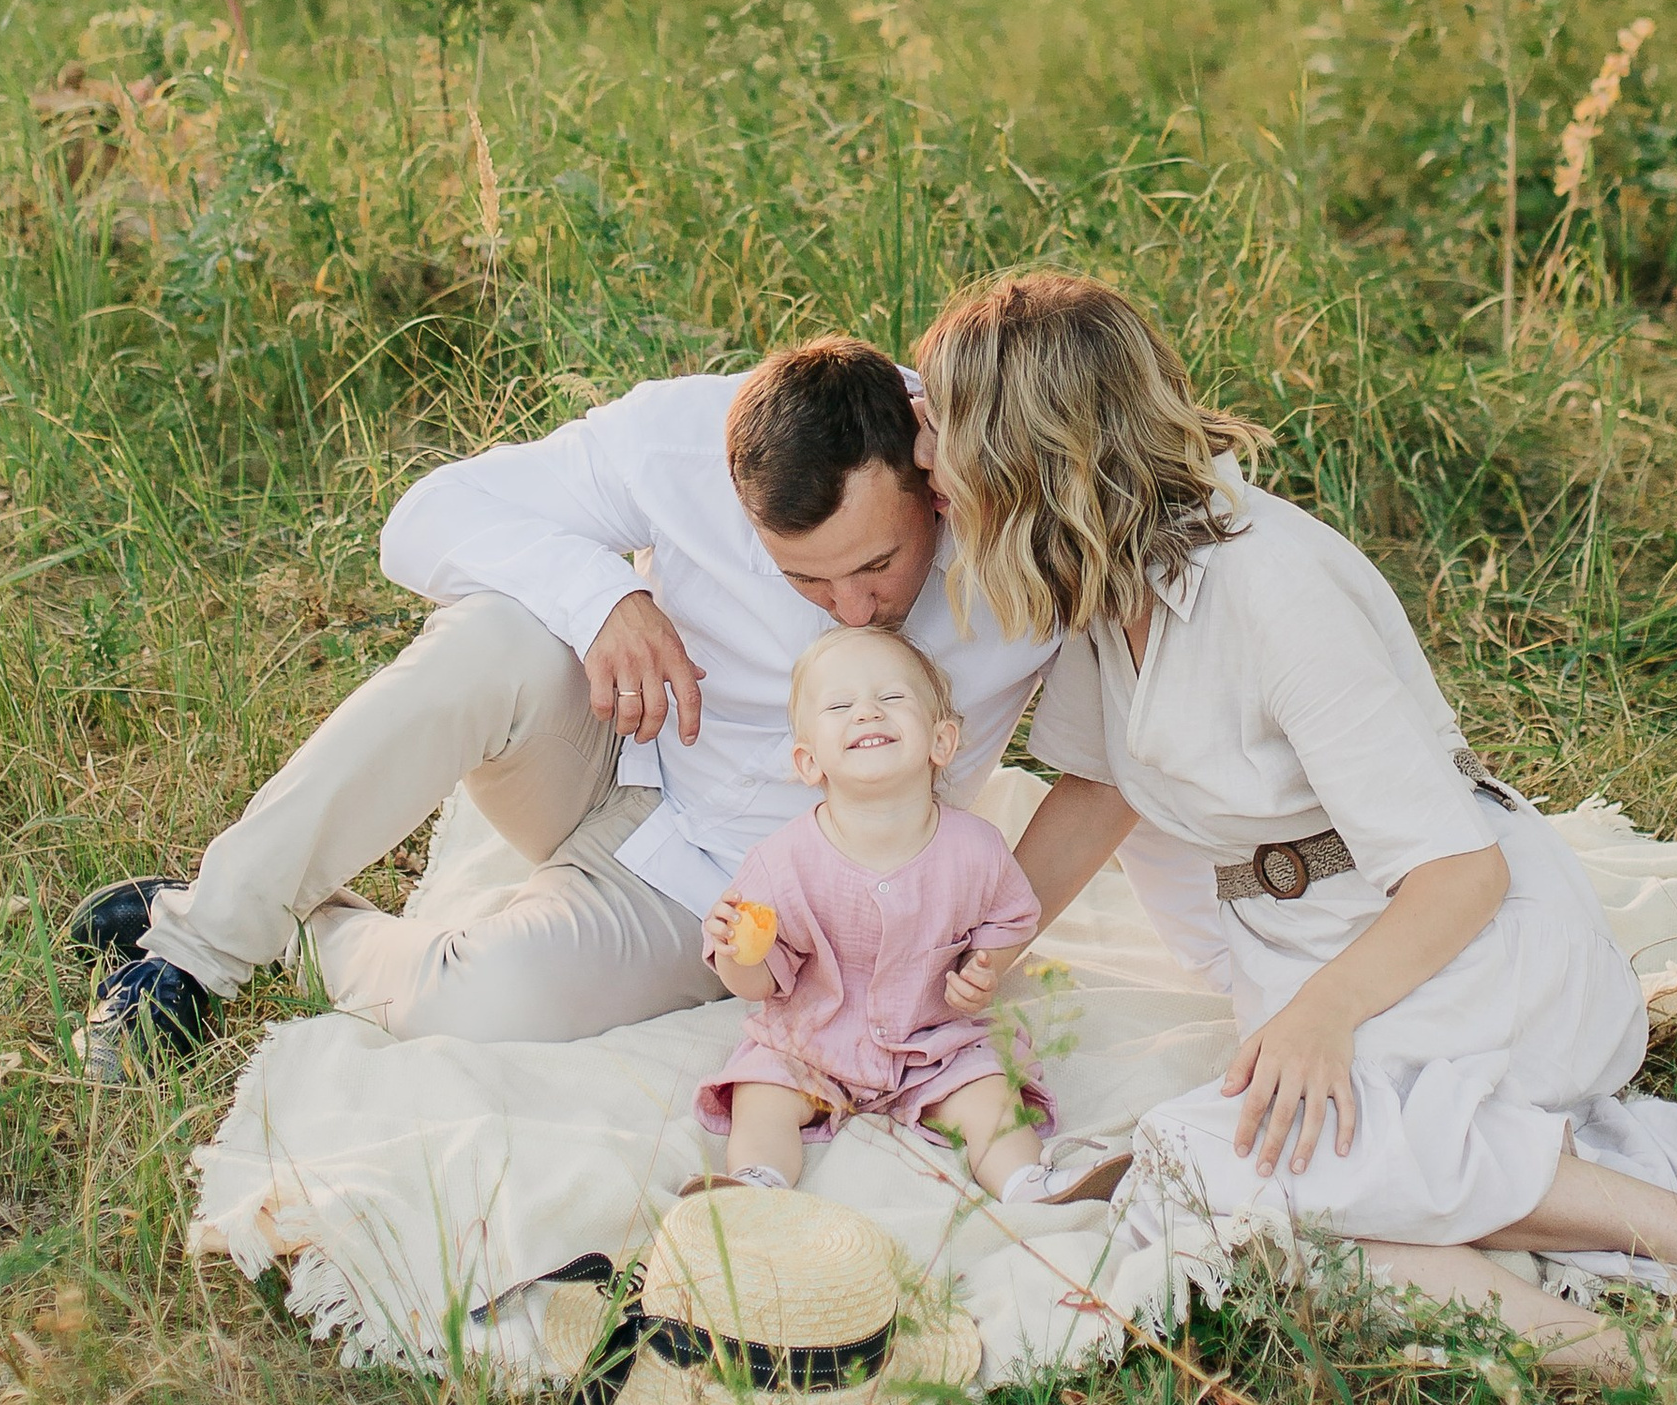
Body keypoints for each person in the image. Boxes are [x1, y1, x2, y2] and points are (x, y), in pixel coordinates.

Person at [912, 269, 1677, 1405]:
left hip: (1456, 951)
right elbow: (1096, 790)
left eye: (938, 422)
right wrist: (976, 951)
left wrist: (1319, 1018)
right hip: (1310, 949)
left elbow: (1459, 871)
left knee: (1212, 1166)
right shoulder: (1104, 578)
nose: (919, 444)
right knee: (1255, 1200)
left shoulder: (1272, 587)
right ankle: (1646, 1357)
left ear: (1023, 444)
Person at [71, 336, 1211, 1074]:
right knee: (495, 635)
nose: (850, 609)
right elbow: (421, 517)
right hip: (611, 752)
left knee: (483, 1008)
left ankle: (305, 931)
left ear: (934, 483)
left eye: (875, 568)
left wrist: (989, 934)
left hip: (733, 892)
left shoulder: (1023, 517)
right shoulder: (681, 437)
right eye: (803, 582)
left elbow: (1109, 759)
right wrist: (600, 592)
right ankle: (204, 945)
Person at [694, 625, 1054, 1198]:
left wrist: (983, 967)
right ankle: (757, 1182)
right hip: (811, 1040)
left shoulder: (976, 849)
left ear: (942, 741)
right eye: (840, 705)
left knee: (990, 1091)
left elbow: (1011, 918)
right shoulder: (781, 862)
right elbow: (755, 984)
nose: (866, 713)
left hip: (935, 1039)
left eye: (892, 699)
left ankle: (1027, 1182)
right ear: (809, 762)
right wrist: (739, 950)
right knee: (761, 1090)